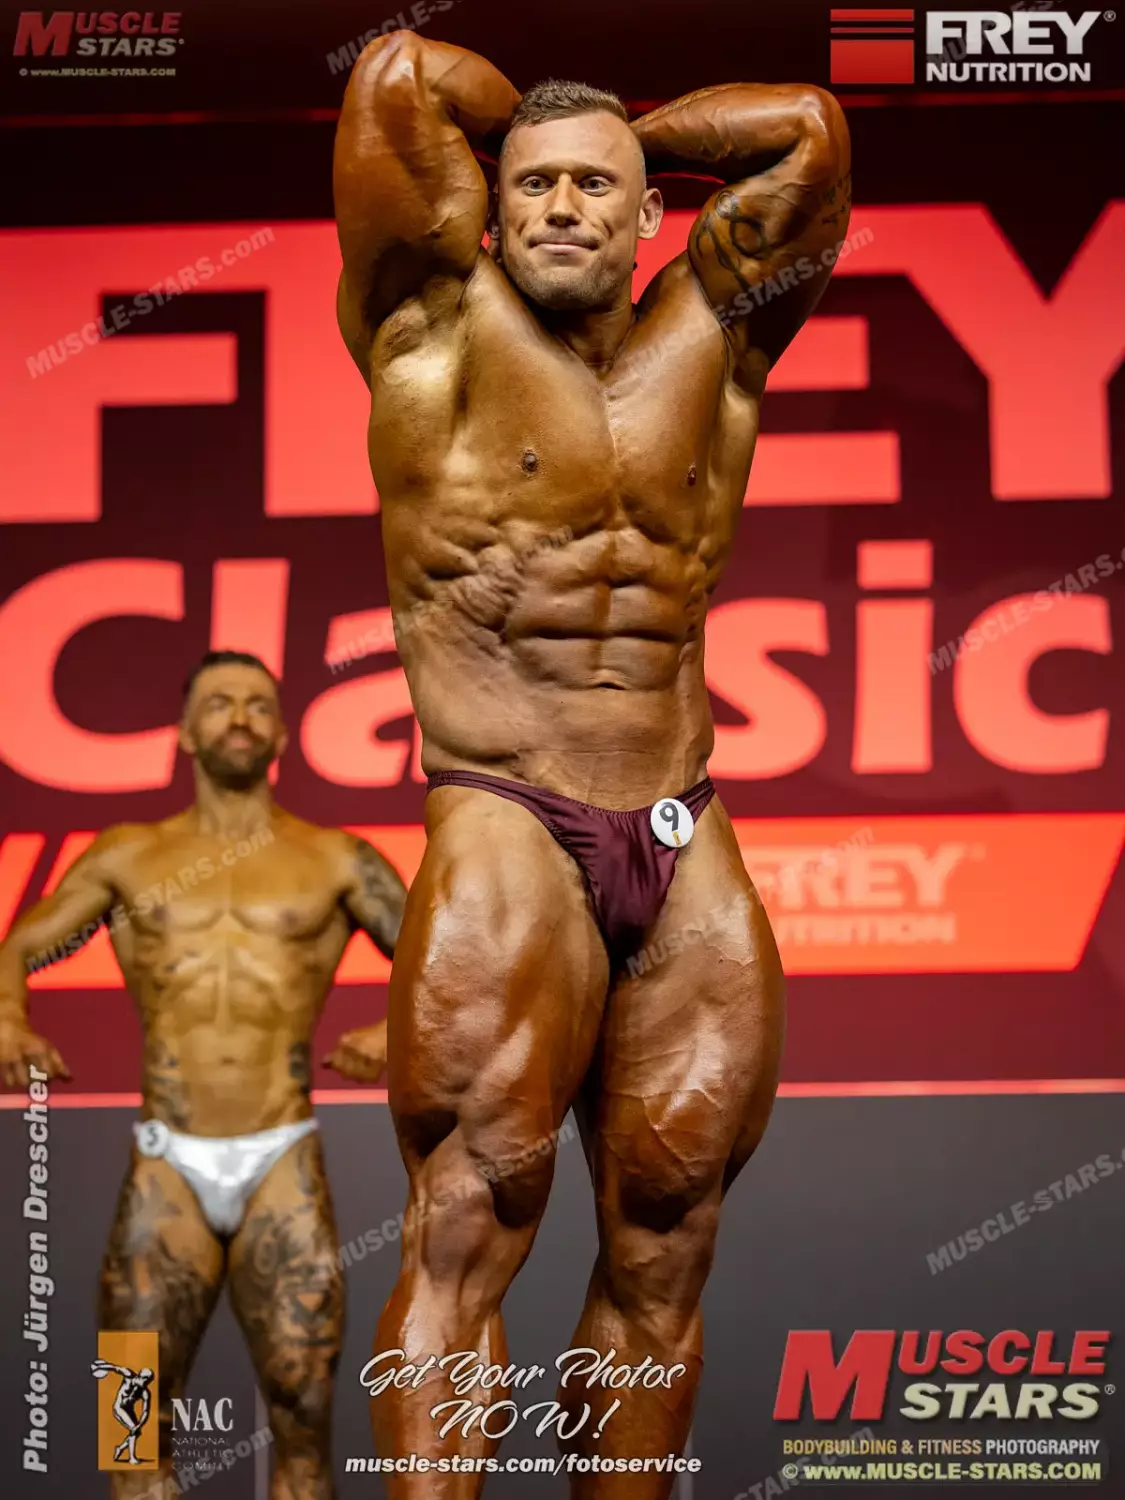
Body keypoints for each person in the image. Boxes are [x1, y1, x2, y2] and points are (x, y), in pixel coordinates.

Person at [335, 35, 849, 1496]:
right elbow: (398, 76)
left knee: (668, 1236)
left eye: (596, 187)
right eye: (535, 185)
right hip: (508, 805)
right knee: (470, 1213)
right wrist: (555, 128)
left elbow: (811, 132)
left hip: (684, 823)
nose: (562, 206)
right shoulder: (431, 325)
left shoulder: (722, 328)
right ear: (493, 208)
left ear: (651, 214)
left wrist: (628, 126)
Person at [0, 650, 407, 1500]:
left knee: (303, 1424)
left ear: (283, 735)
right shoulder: (126, 856)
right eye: (219, 702)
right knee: (129, 1434)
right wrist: (7, 1018)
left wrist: (394, 1027)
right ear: (185, 732)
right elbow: (21, 946)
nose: (240, 717)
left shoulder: (338, 859)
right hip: (165, 1167)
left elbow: (443, 967)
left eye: (258, 704)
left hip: (281, 1161)